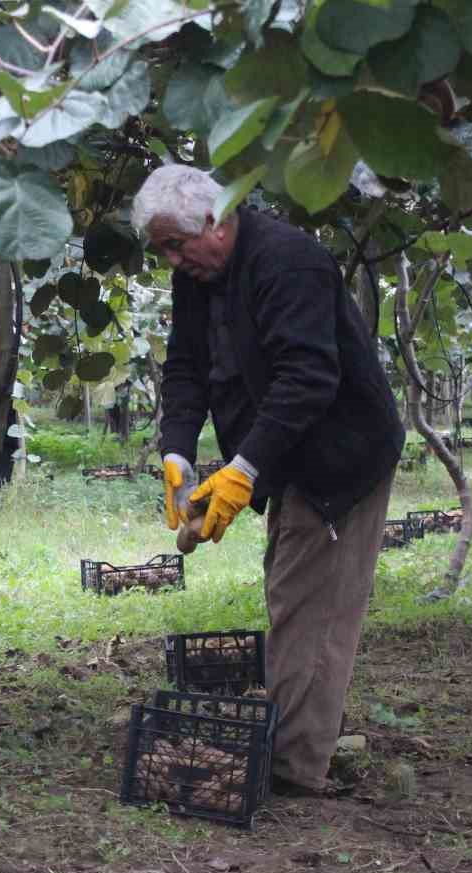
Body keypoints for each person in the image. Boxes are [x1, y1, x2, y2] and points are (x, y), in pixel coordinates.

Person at [131, 165, 403, 799]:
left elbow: (307, 379)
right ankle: (299, 736)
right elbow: (186, 368)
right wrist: (177, 453)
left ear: (216, 220)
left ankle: (292, 766)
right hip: (284, 451)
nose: (173, 260)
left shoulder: (289, 262)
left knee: (310, 604)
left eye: (177, 243)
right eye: (163, 250)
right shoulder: (198, 276)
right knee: (292, 587)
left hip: (341, 453)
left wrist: (242, 473)